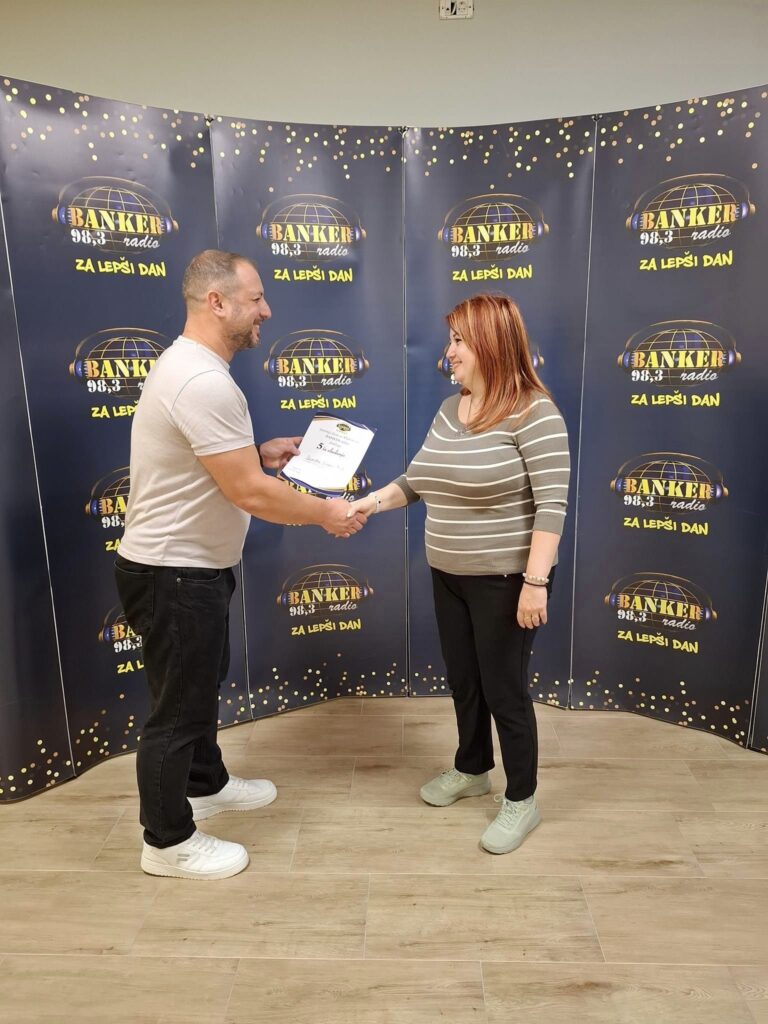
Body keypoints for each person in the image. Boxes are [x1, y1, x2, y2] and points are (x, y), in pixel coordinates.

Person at [115, 249, 367, 880]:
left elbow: (215, 465)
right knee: (178, 711)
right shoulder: (201, 381)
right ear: (217, 302)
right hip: (175, 571)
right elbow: (250, 493)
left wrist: (257, 451)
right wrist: (326, 513)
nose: (267, 311)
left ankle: (205, 784)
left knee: (197, 689)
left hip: (190, 567)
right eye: (256, 298)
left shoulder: (192, 368)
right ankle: (166, 842)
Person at [351, 293, 569, 854]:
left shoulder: (535, 413)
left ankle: (521, 799)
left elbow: (551, 505)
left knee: (505, 691)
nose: (449, 352)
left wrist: (535, 584)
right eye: (450, 340)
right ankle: (472, 768)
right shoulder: (452, 408)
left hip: (506, 582)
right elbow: (417, 480)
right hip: (447, 574)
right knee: (464, 681)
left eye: (458, 341)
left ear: (491, 344)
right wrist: (367, 504)